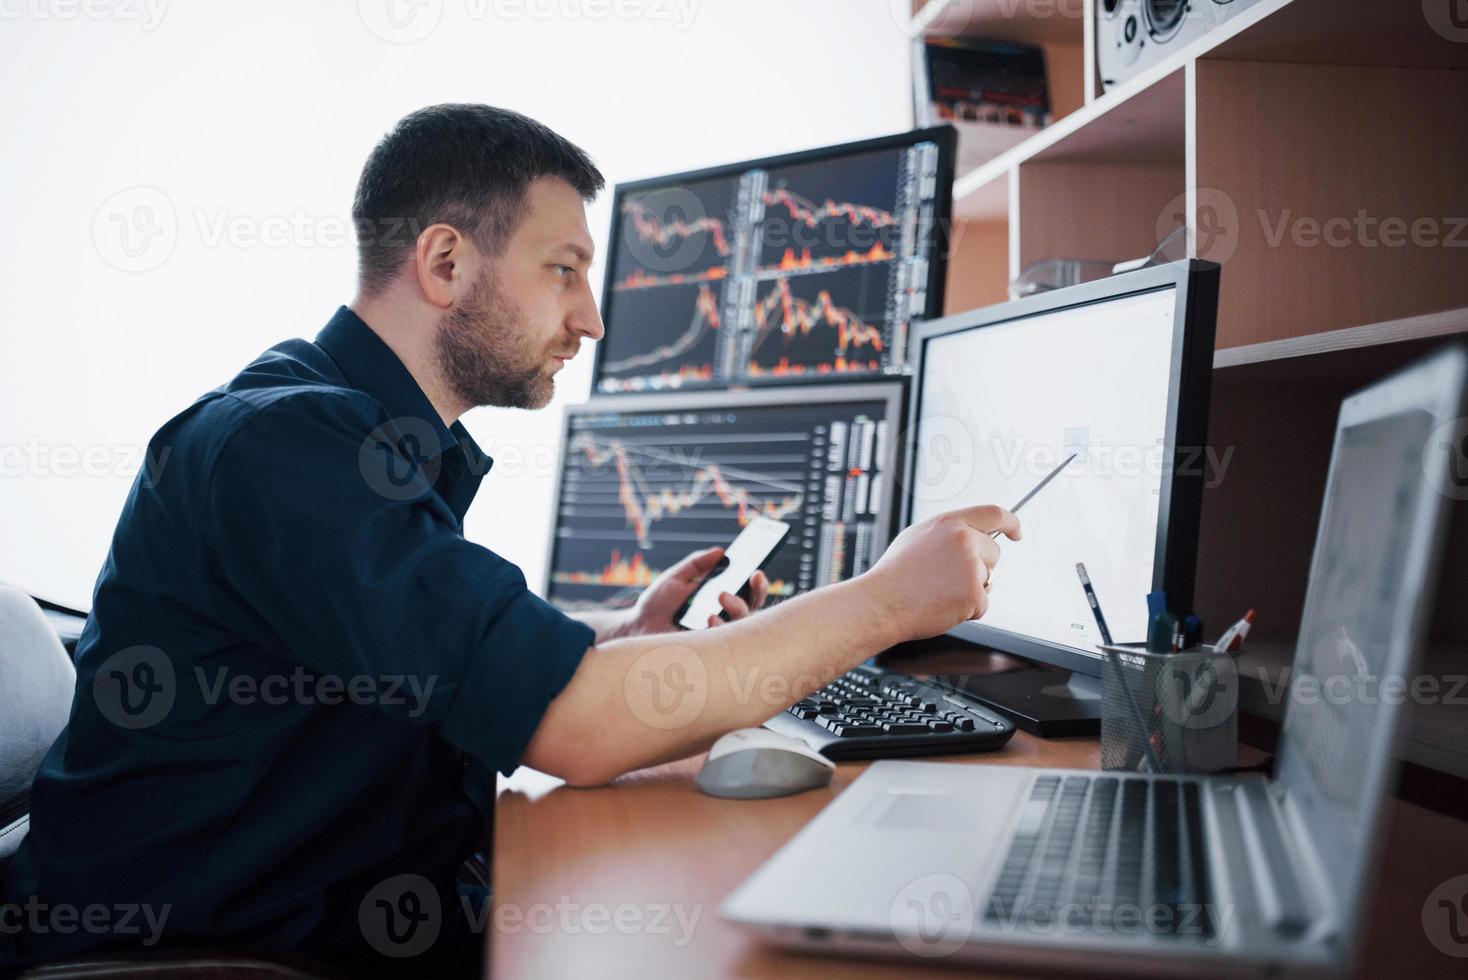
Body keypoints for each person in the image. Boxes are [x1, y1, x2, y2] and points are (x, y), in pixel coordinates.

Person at [0, 104, 1018, 977]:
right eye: (564, 268)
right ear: (444, 260)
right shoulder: (288, 446)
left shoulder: (349, 430)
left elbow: (404, 663)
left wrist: (616, 636)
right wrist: (892, 598)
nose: (591, 318)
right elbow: (574, 733)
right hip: (214, 957)